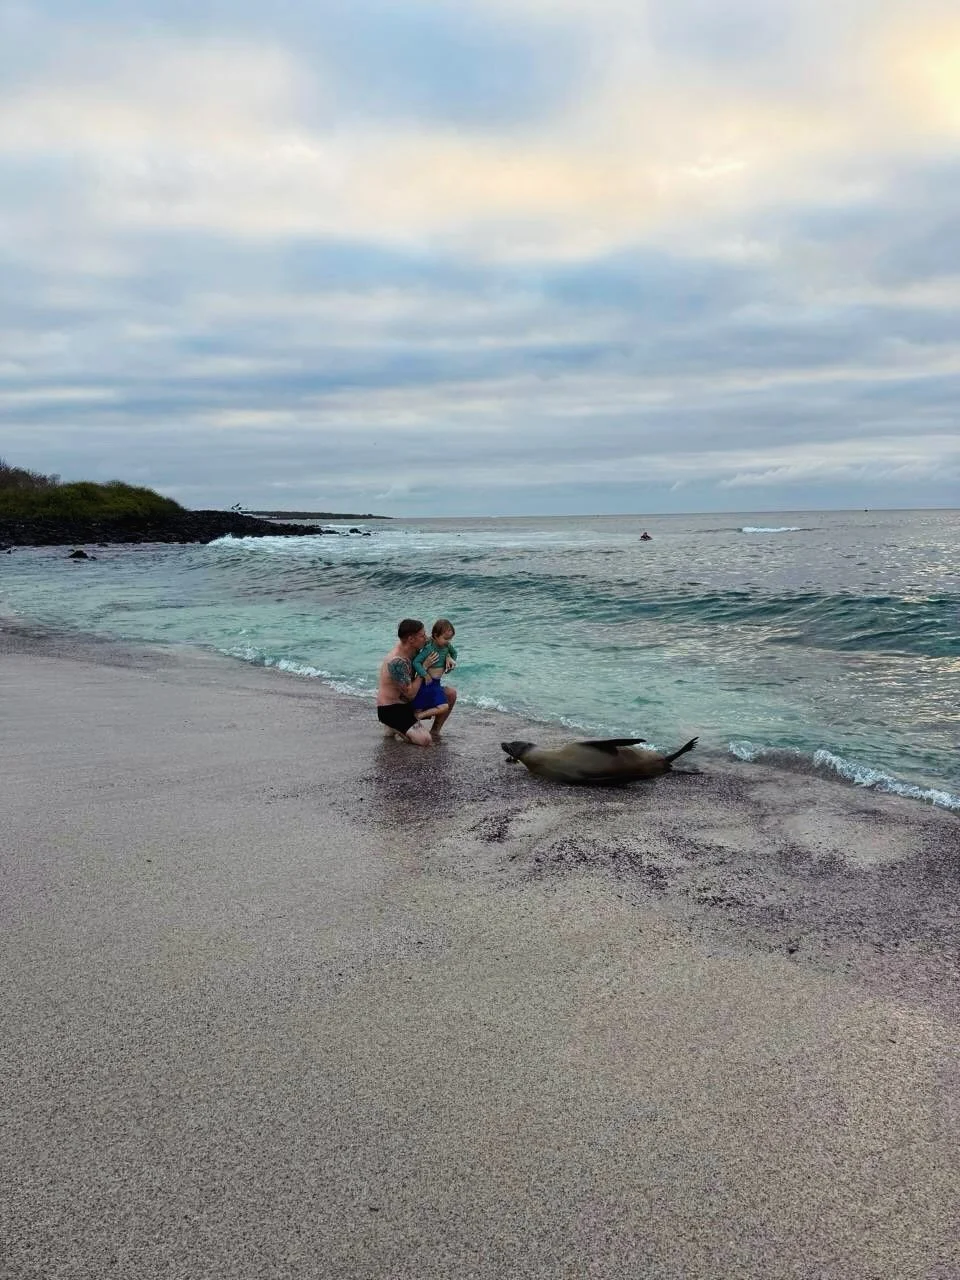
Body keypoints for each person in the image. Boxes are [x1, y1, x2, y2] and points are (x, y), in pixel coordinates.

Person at [376, 618, 457, 746]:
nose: (426, 637)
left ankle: (435, 731)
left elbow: (440, 645)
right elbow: (410, 694)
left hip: (410, 703)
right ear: (411, 639)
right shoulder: (397, 661)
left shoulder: (416, 648)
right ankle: (393, 726)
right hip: (391, 708)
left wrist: (447, 657)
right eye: (422, 635)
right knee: (425, 740)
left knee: (450, 694)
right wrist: (423, 668)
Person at [411, 619, 457, 722]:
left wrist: (450, 664)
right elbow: (416, 662)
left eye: (450, 639)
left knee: (444, 707)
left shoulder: (447, 646)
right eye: (445, 639)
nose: (448, 642)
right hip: (425, 684)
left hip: (436, 684)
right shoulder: (429, 648)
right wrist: (424, 674)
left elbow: (455, 653)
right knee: (416, 708)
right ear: (436, 635)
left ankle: (421, 716)